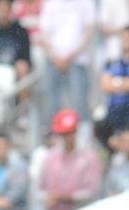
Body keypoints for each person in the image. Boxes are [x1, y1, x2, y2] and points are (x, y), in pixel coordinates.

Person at [39, 0, 98, 130]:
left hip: (78, 60)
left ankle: (83, 138)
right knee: (52, 103)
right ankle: (53, 139)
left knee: (80, 102)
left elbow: (90, 30)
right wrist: (56, 56)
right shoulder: (51, 3)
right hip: (53, 60)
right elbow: (43, 33)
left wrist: (71, 55)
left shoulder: (86, 3)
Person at [39, 108, 101, 210]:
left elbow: (91, 191)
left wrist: (66, 197)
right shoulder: (50, 157)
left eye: (70, 133)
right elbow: (40, 189)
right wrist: (48, 197)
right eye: (64, 134)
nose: (67, 138)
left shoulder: (89, 157)